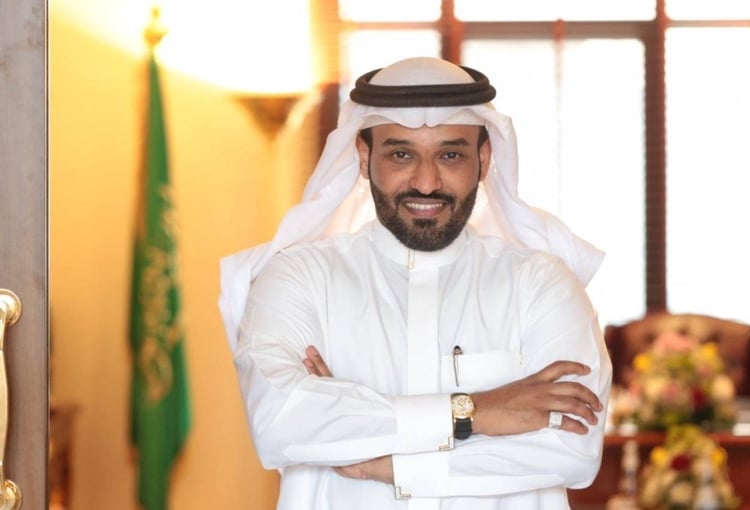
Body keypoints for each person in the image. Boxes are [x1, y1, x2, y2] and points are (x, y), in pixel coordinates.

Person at [219, 56, 612, 510]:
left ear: (484, 160)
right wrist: (479, 411)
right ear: (364, 157)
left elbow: (573, 451)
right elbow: (279, 424)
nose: (426, 182)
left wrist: (382, 456)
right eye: (401, 154)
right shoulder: (298, 278)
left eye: (451, 155)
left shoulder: (541, 284)